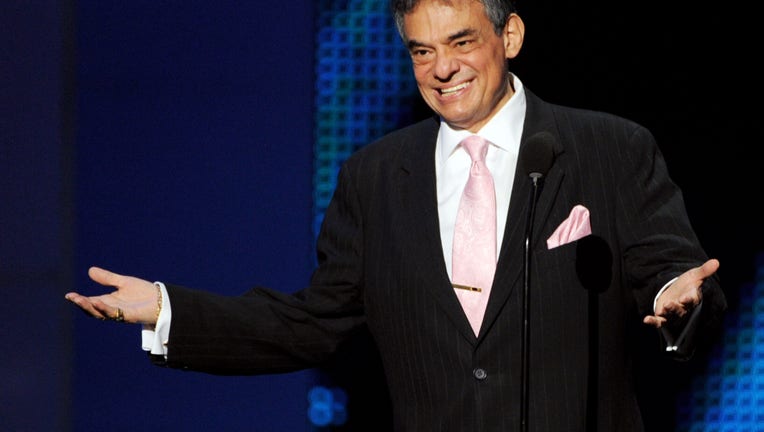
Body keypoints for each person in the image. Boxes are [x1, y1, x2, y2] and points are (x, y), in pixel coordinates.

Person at [65, 0, 727, 430]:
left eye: (460, 41)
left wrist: (679, 294)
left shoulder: (610, 147)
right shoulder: (376, 177)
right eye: (421, 50)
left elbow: (668, 266)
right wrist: (166, 309)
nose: (442, 69)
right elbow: (312, 324)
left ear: (512, 34)